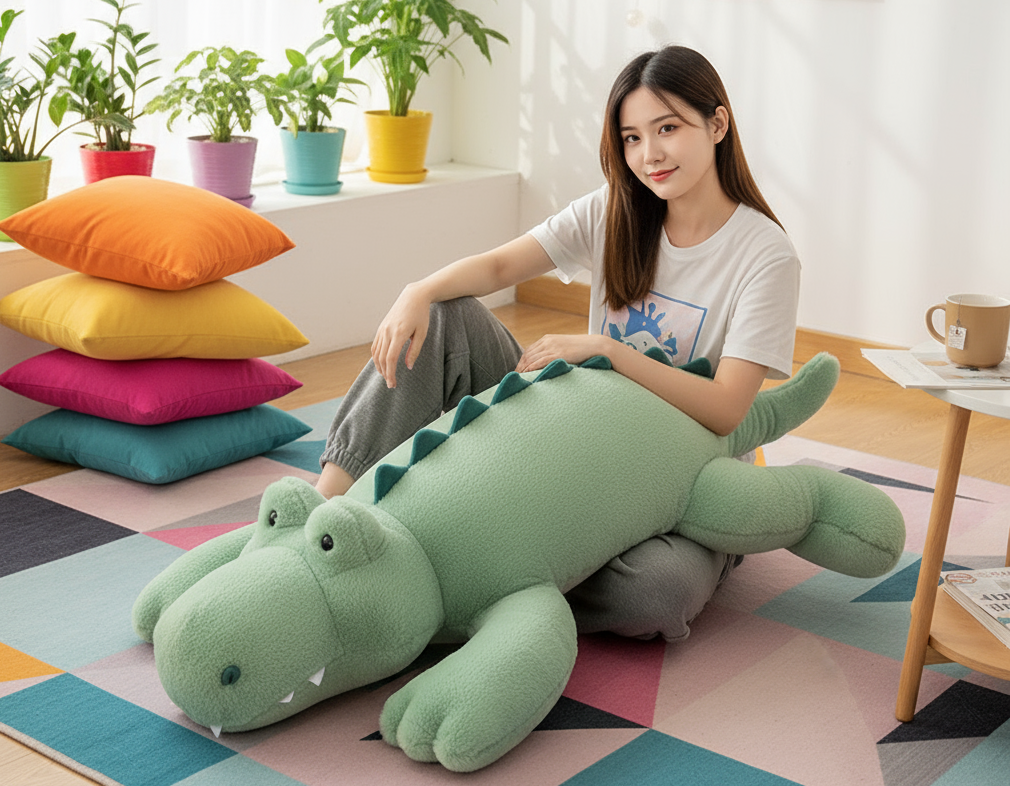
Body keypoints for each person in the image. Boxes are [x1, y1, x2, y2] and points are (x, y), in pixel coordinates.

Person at [316, 44, 800, 643]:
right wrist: (416, 290)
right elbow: (497, 269)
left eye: (667, 128)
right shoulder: (614, 209)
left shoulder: (765, 255)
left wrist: (612, 352)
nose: (648, 154)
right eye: (630, 138)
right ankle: (321, 521)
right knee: (444, 315)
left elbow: (728, 409)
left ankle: (470, 574)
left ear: (717, 124)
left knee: (657, 595)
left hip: (682, 477)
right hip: (562, 434)